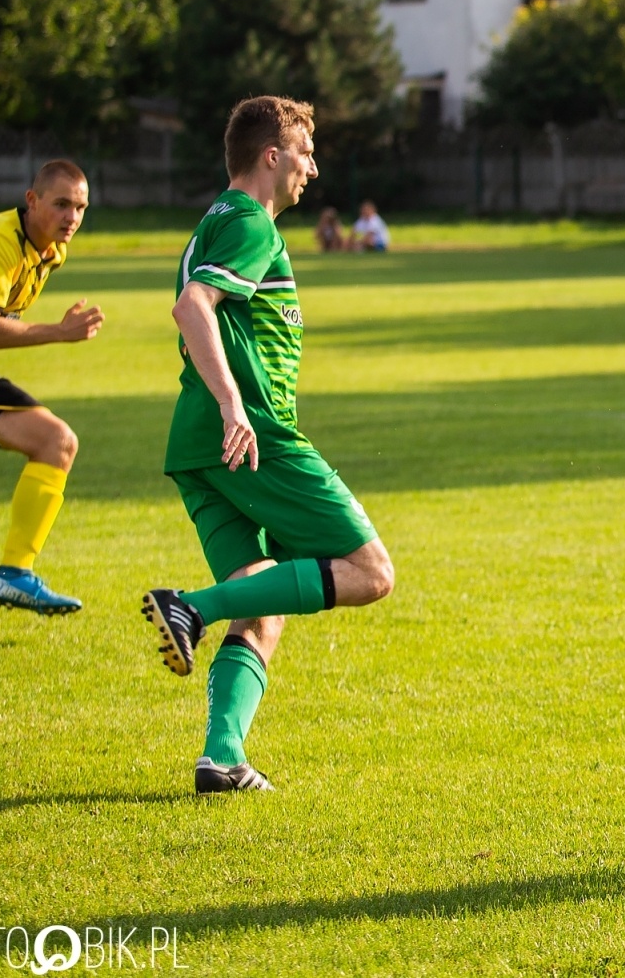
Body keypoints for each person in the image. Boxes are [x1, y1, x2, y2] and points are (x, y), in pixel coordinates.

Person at [145, 96, 395, 795]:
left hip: (196, 445)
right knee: (371, 571)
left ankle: (221, 758)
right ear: (271, 155)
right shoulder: (251, 221)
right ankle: (190, 606)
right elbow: (193, 306)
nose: (314, 168)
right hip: (248, 437)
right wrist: (235, 406)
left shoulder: (217, 220)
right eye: (306, 153)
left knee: (264, 605)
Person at [0, 160, 102, 614]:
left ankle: (14, 575)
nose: (72, 218)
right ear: (32, 200)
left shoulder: (50, 251)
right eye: (62, 204)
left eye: (81, 207)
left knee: (57, 442)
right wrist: (59, 332)